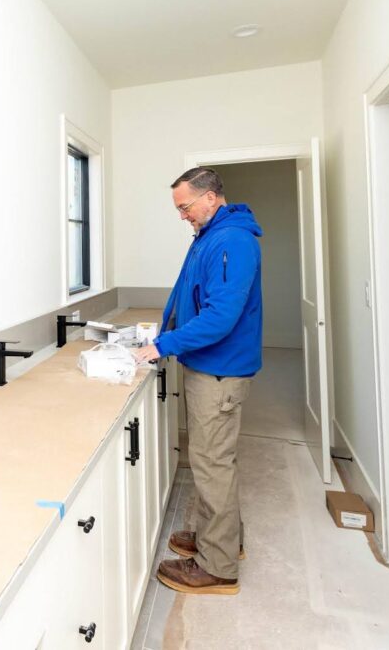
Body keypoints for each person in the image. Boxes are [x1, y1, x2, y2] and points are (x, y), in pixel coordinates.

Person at [132, 166, 263, 595]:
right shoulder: (211, 235)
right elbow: (191, 297)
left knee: (211, 466)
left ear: (210, 197)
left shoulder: (231, 241)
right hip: (211, 365)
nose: (182, 215)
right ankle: (219, 539)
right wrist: (165, 333)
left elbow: (220, 316)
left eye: (185, 206)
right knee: (214, 461)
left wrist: (164, 344)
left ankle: (218, 566)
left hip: (219, 371)